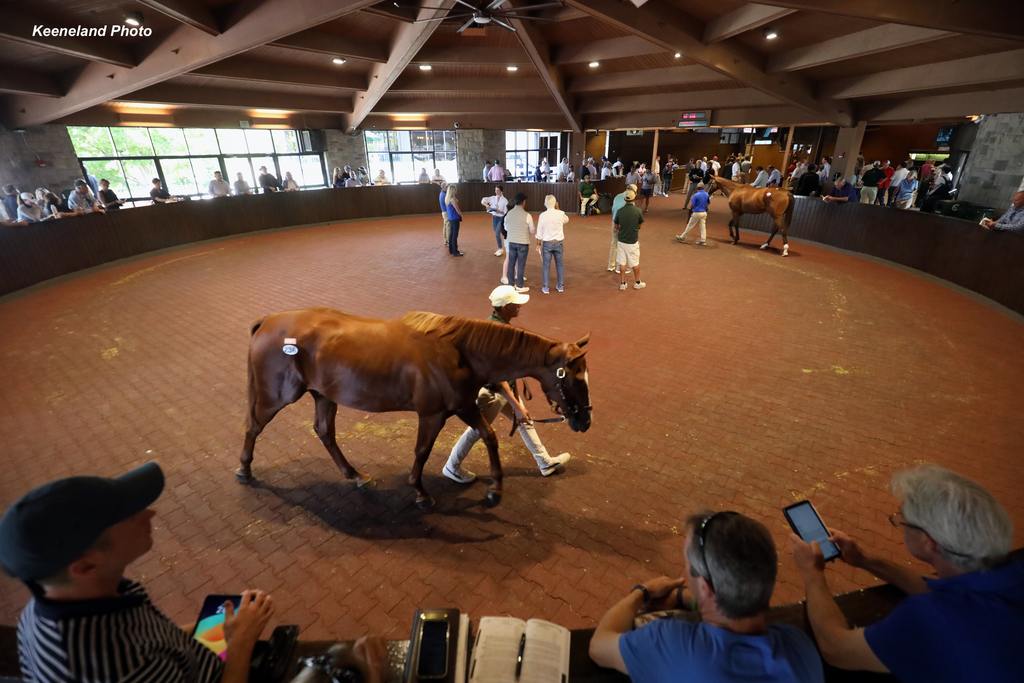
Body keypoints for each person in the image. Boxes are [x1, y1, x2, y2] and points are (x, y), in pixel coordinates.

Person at [0, 461, 275, 683]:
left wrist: (217, 629)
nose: (149, 514)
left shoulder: (45, 607)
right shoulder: (116, 666)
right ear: (86, 566)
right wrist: (240, 642)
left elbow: (154, 643)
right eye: (130, 515)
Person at [791, 464, 1021, 683]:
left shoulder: (927, 617)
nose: (899, 522)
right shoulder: (1011, 574)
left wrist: (813, 573)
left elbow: (836, 648)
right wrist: (865, 560)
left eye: (902, 519)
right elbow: (934, 591)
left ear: (929, 542)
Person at [590, 510, 823, 682]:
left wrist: (642, 593)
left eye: (688, 565)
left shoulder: (669, 642)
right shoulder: (800, 648)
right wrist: (685, 599)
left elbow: (599, 646)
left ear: (705, 587)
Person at [441, 286, 571, 483]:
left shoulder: (494, 325)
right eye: (515, 303)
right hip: (493, 393)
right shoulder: (498, 333)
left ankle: (544, 461)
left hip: (502, 390)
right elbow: (497, 375)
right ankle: (452, 466)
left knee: (524, 421)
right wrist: (516, 404)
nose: (519, 305)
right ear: (505, 307)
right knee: (478, 430)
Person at [535, 194, 569, 294]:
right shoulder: (560, 213)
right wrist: (558, 209)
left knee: (546, 266)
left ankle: (545, 287)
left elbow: (539, 231)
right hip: (558, 242)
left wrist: (538, 244)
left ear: (545, 203)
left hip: (547, 243)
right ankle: (560, 286)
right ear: (555, 203)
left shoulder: (542, 215)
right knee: (560, 265)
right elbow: (566, 220)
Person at [614, 189, 645, 291]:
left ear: (625, 199)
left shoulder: (620, 211)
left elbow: (616, 226)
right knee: (635, 263)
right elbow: (640, 225)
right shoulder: (638, 211)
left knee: (622, 263)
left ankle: (623, 283)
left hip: (621, 240)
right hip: (632, 241)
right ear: (633, 199)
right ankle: (637, 282)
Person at [504, 193, 534, 292]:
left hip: (511, 242)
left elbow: (506, 227)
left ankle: (511, 285)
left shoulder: (509, 213)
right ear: (523, 202)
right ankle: (520, 286)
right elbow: (532, 231)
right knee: (521, 265)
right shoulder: (527, 215)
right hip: (523, 243)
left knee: (511, 264)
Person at [607, 184, 636, 272]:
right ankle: (620, 267)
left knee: (614, 243)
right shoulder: (630, 200)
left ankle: (611, 265)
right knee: (624, 245)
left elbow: (613, 209)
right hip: (623, 223)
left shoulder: (617, 196)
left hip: (614, 221)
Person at [481, 185, 509, 256]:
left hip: (501, 218)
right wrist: (486, 205)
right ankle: (505, 243)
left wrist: (499, 211)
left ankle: (500, 249)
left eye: (498, 190)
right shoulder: (492, 198)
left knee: (497, 233)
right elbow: (483, 200)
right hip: (494, 217)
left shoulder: (505, 200)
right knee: (497, 232)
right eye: (495, 190)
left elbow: (505, 212)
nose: (496, 192)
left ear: (501, 191)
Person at [444, 184, 463, 256]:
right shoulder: (452, 199)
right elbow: (457, 209)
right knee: (455, 235)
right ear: (452, 190)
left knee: (451, 235)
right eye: (455, 189)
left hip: (451, 218)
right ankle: (455, 252)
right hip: (455, 218)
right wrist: (461, 214)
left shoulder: (447, 198)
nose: (456, 190)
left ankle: (451, 250)